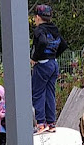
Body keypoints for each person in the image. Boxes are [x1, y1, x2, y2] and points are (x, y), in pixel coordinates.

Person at [30, 4, 67, 133]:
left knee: (38, 93)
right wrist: (53, 54)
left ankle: (40, 124)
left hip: (42, 64)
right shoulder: (54, 29)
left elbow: (42, 43)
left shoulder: (39, 30)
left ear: (38, 17)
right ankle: (51, 123)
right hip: (53, 64)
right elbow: (63, 44)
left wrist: (35, 58)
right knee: (50, 94)